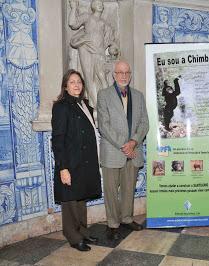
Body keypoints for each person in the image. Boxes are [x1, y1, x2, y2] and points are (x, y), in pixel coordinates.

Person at [97, 60, 149, 240]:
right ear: (114, 75)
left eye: (127, 72)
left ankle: (127, 218)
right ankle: (112, 224)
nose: (124, 76)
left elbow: (144, 123)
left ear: (130, 74)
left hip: (133, 151)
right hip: (113, 151)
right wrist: (124, 145)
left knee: (129, 189)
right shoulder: (103, 95)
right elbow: (103, 125)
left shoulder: (138, 95)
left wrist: (133, 141)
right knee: (111, 190)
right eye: (120, 72)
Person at [51, 69, 102, 252]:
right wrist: (63, 168)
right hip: (71, 163)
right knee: (71, 200)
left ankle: (82, 231)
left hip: (85, 162)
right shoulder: (61, 106)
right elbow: (57, 138)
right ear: (65, 86)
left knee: (81, 199)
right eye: (72, 82)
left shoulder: (85, 105)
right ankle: (73, 236)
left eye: (79, 82)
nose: (77, 85)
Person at [68, 0, 119, 106]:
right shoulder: (87, 17)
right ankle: (95, 104)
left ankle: (105, 103)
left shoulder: (104, 24)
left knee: (102, 77)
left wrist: (113, 47)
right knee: (88, 77)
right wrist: (73, 8)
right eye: (97, 4)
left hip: (99, 53)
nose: (100, 5)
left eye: (101, 4)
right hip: (86, 48)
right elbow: (73, 24)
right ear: (93, 6)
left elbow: (110, 41)